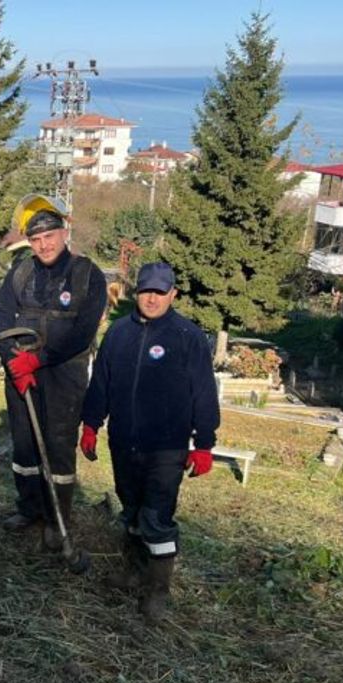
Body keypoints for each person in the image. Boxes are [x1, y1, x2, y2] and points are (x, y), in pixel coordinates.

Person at [80, 262, 219, 625]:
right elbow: (101, 383)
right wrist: (91, 424)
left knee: (156, 517)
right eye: (146, 292)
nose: (152, 299)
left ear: (173, 294)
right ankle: (133, 572)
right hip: (124, 441)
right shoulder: (118, 333)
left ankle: (158, 590)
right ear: (136, 292)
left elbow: (204, 393)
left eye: (160, 292)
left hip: (166, 446)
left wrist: (204, 443)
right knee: (131, 511)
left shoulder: (187, 336)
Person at [0, 194, 107, 548]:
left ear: (64, 232)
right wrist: (14, 362)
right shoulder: (20, 273)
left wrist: (39, 360)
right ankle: (29, 508)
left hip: (65, 375)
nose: (44, 245)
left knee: (58, 446)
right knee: (24, 446)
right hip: (21, 373)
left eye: (49, 236)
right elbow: (1, 323)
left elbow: (83, 333)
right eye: (37, 239)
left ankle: (58, 520)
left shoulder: (88, 275)